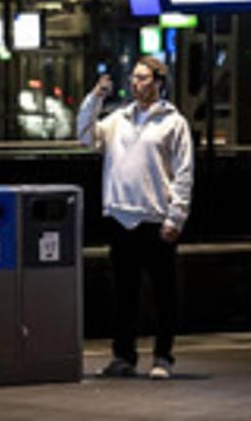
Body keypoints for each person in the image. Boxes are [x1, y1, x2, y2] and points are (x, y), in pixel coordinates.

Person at [77, 56, 194, 380]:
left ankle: (163, 357)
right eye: (133, 77)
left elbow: (184, 173)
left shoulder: (174, 123)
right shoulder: (118, 119)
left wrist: (176, 217)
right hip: (120, 217)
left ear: (158, 82)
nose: (135, 83)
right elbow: (86, 136)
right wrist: (95, 98)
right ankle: (123, 357)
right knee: (124, 293)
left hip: (156, 218)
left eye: (142, 78)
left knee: (163, 293)